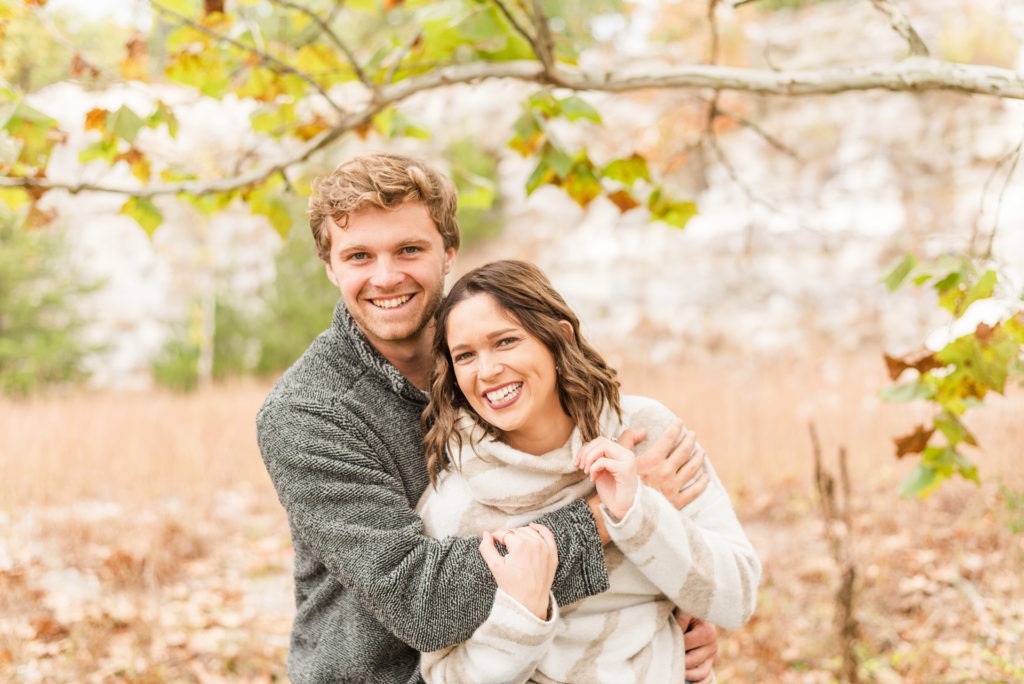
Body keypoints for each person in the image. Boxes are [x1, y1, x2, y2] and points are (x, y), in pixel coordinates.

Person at [256, 153, 720, 683]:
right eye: (359, 256)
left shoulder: (503, 359)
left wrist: (667, 616)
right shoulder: (309, 413)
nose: (386, 277)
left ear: (448, 252)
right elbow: (421, 601)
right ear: (330, 267)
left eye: (409, 249)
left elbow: (566, 489)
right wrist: (625, 514)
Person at [417, 259, 761, 683]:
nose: (486, 371)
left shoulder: (645, 432)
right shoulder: (455, 502)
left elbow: (736, 597)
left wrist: (639, 512)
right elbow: (446, 677)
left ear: (558, 337)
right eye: (465, 355)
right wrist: (523, 616)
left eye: (505, 341)